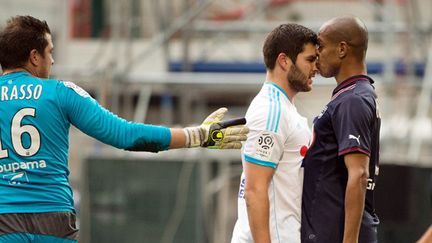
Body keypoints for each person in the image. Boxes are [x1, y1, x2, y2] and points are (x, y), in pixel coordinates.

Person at [0, 15, 248, 243]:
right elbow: (126, 135)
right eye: (49, 52)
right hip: (52, 217)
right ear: (34, 57)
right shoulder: (60, 92)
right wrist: (197, 136)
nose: (52, 60)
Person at [231, 23, 318, 243]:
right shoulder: (272, 111)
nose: (316, 67)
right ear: (284, 61)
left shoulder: (283, 108)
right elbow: (254, 190)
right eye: (309, 59)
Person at [301, 16, 381, 243]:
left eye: (322, 46)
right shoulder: (352, 95)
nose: (317, 54)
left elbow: (359, 173)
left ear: (342, 49)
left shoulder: (353, 100)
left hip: (336, 235)